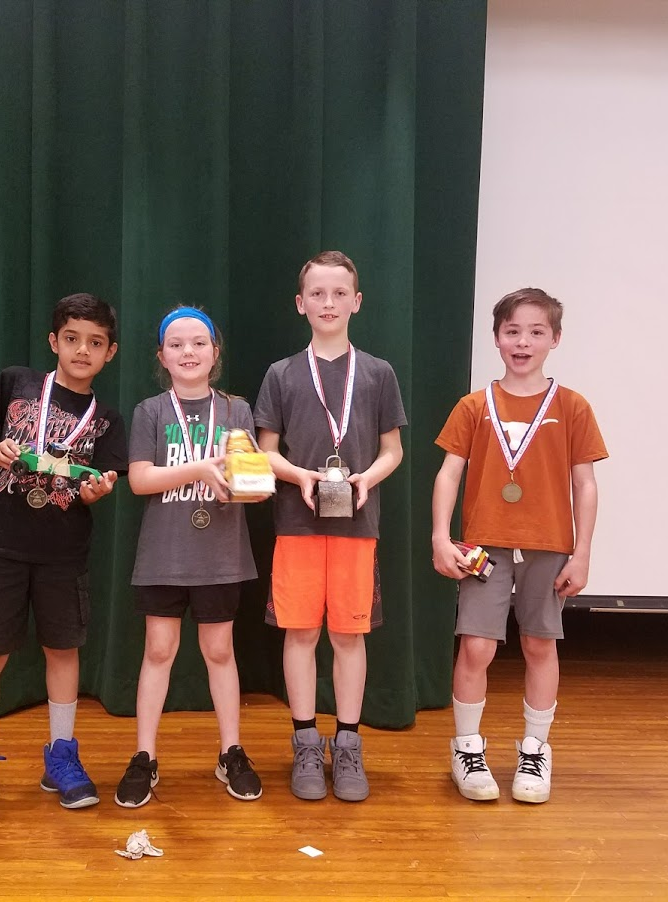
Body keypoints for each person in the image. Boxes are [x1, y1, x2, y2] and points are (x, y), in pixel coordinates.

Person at [0, 293, 128, 818]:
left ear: (110, 352)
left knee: (62, 651)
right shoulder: (16, 382)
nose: (82, 350)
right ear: (54, 342)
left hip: (64, 551)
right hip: (0, 542)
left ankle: (61, 756)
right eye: (72, 339)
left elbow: (102, 484)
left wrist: (96, 492)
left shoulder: (108, 420)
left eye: (95, 342)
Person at [431, 287, 607, 805]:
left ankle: (535, 748)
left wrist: (583, 552)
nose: (522, 342)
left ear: (554, 338)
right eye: (512, 332)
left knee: (539, 644)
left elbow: (586, 484)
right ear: (496, 338)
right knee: (477, 646)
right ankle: (466, 746)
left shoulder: (572, 407)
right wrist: (442, 536)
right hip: (484, 546)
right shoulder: (474, 405)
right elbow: (448, 474)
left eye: (535, 332)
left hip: (550, 545)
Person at [253, 251, 407, 802]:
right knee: (301, 632)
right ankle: (304, 742)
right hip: (297, 523)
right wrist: (301, 477)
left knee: (348, 634)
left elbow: (394, 450)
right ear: (301, 304)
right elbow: (265, 451)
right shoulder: (281, 373)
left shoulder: (377, 372)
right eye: (317, 294)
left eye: (339, 294)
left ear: (356, 302)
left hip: (357, 526)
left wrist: (366, 477)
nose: (328, 303)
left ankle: (346, 744)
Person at [114, 306, 265, 808]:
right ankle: (144, 757)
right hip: (165, 555)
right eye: (176, 345)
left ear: (215, 353)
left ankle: (231, 752)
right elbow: (139, 480)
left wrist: (237, 490)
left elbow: (254, 483)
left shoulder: (238, 411)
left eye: (199, 343)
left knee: (219, 651)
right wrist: (201, 468)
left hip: (219, 555)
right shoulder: (150, 412)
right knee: (158, 651)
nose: (188, 352)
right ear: (162, 355)